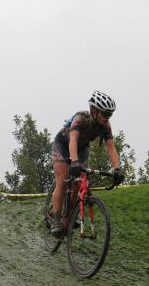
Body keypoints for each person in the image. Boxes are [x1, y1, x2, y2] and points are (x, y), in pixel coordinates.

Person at [50, 91, 125, 235]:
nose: (107, 117)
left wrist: (117, 169)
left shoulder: (105, 125)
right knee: (63, 178)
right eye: (104, 114)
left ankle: (70, 214)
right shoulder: (80, 119)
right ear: (94, 111)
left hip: (82, 148)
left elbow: (111, 147)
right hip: (63, 144)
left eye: (110, 115)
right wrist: (74, 162)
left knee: (78, 183)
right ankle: (57, 220)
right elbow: (73, 140)